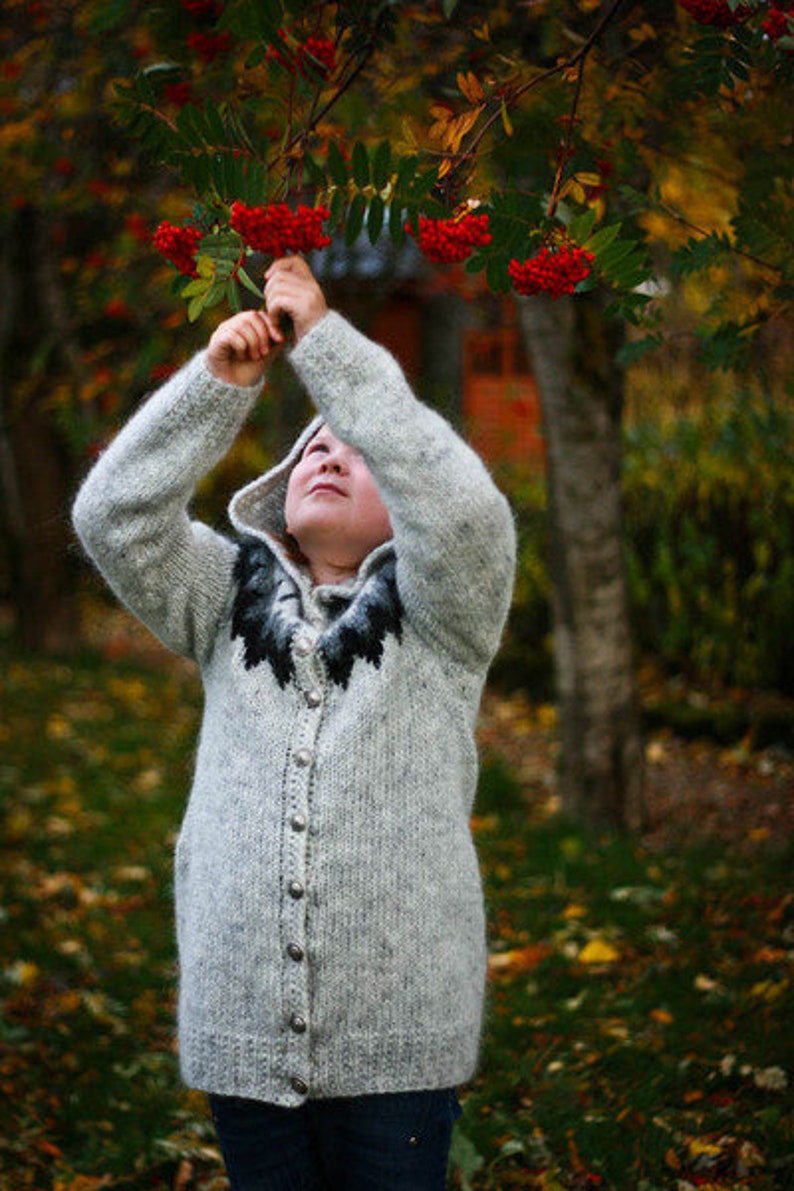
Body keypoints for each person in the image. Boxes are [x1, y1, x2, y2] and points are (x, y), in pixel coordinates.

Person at [72, 255, 516, 1190]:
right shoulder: (221, 599)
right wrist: (214, 390)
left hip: (399, 1038)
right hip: (242, 1026)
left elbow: (467, 509)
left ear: (403, 499)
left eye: (356, 448)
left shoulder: (445, 614)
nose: (327, 450)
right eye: (313, 443)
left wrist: (326, 348)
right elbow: (113, 514)